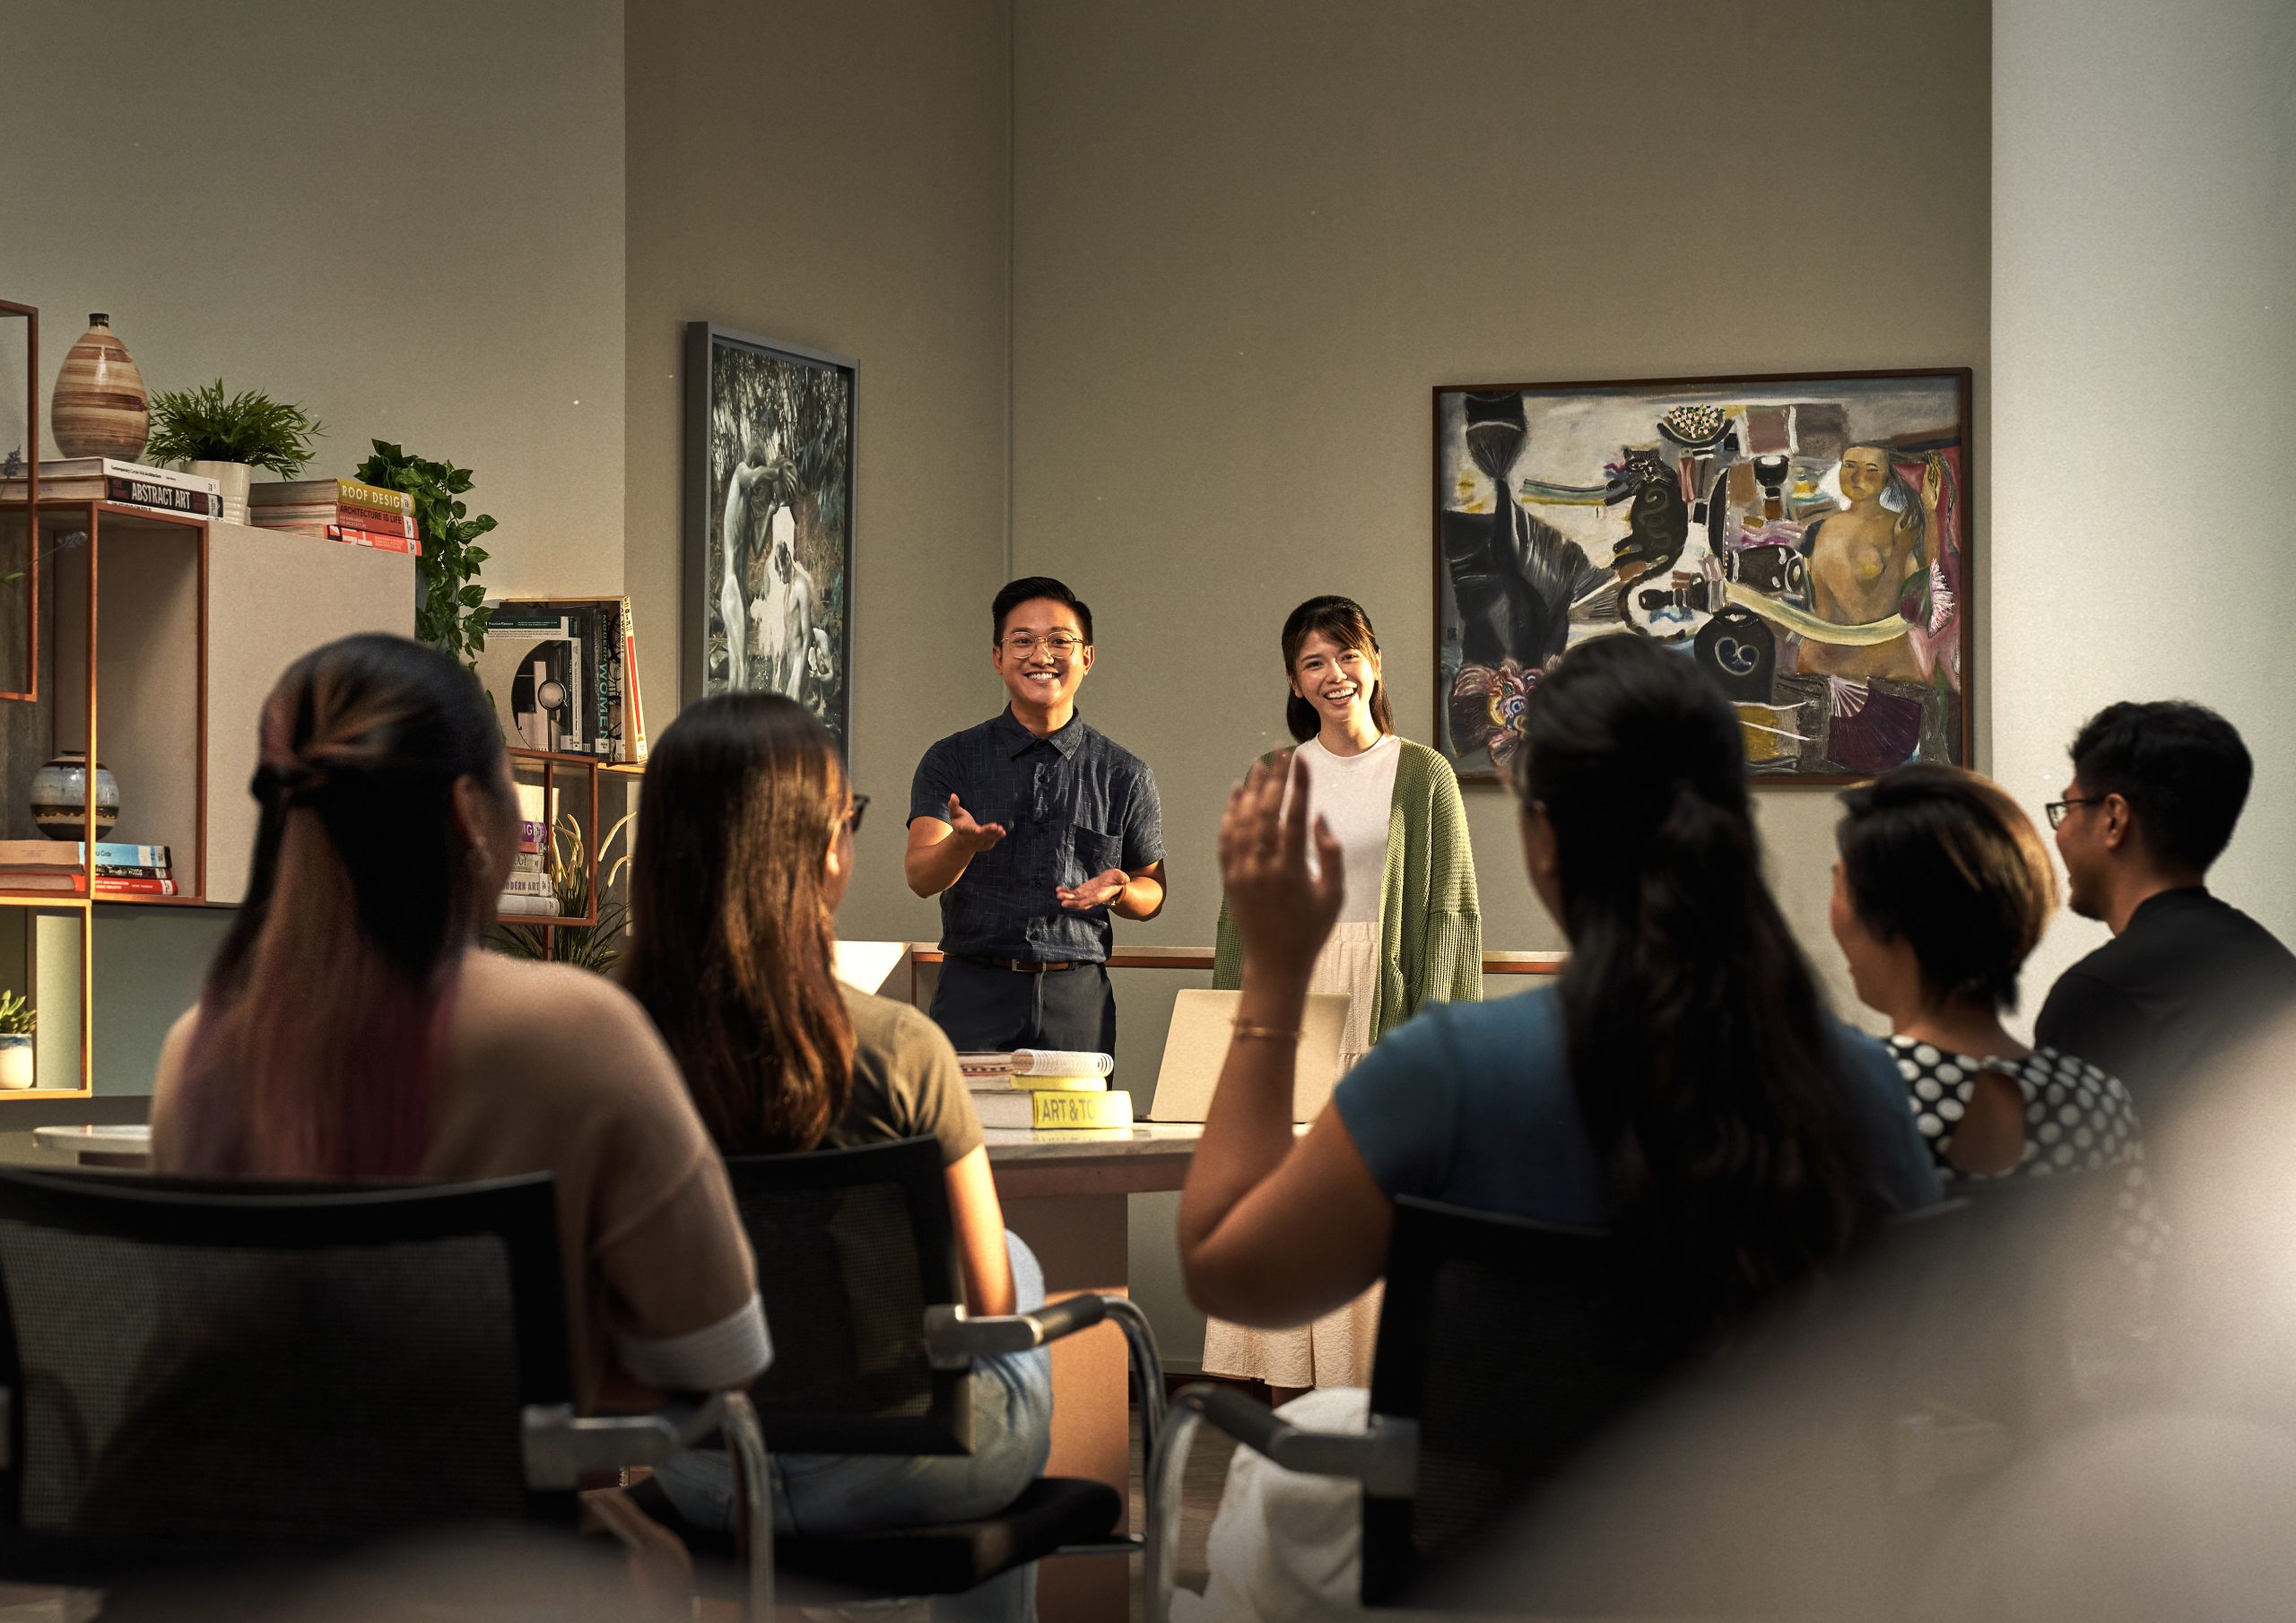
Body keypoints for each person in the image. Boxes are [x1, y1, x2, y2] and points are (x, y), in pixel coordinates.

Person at [1172, 634, 1938, 1620]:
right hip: (1780, 1582)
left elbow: (1227, 1268)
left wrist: (1274, 979)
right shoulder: (1870, 1089)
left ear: (1542, 836)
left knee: (1254, 1511)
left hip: (1496, 1576)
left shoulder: (1447, 1073)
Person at [150, 634, 767, 1416]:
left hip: (229, 1496)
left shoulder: (195, 1052)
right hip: (491, 1499)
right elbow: (721, 1355)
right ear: (469, 810)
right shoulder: (577, 1033)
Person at [624, 694, 1051, 1623]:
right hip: (899, 1469)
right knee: (1015, 1265)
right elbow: (987, 1309)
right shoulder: (900, 1047)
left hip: (700, 1468)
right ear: (825, 849)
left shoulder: (612, 1049)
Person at [1201, 595, 1481, 1397]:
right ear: (1295, 682)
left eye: (1347, 655)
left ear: (1375, 663)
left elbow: (1451, 916)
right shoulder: (1273, 776)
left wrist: (1436, 1049)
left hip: (1381, 1009)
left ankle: (1370, 1411)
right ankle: (1288, 1415)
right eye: (1313, 662)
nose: (1335, 675)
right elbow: (1239, 916)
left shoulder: (1422, 774)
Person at [1830, 766, 2160, 1263]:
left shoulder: (1850, 1097)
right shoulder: (2100, 1101)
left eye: (1839, 884)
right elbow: (2137, 1275)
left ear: (1891, 920)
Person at [906, 576, 1166, 1055]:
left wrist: (1121, 891)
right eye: (1022, 640)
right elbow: (921, 877)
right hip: (973, 990)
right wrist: (961, 844)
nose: (1041, 655)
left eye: (1059, 641)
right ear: (998, 657)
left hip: (1078, 995)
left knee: (1080, 1111)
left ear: (1087, 657)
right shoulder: (952, 759)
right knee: (967, 1110)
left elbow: (1153, 891)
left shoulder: (1124, 773)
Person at [2034, 701, 2296, 1141]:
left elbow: (2060, 1180)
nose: (2060, 832)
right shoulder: (2277, 967)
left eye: (2069, 808)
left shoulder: (2098, 996)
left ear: (2114, 819)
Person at [1796, 442, 1941, 681]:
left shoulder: (1901, 524)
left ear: (1888, 478)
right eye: (1849, 465)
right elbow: (1866, 618)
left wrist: (1930, 511)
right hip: (1838, 673)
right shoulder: (1833, 531)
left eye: (1872, 469)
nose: (1857, 477)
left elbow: (1930, 589)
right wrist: (1900, 550)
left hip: (1894, 668)